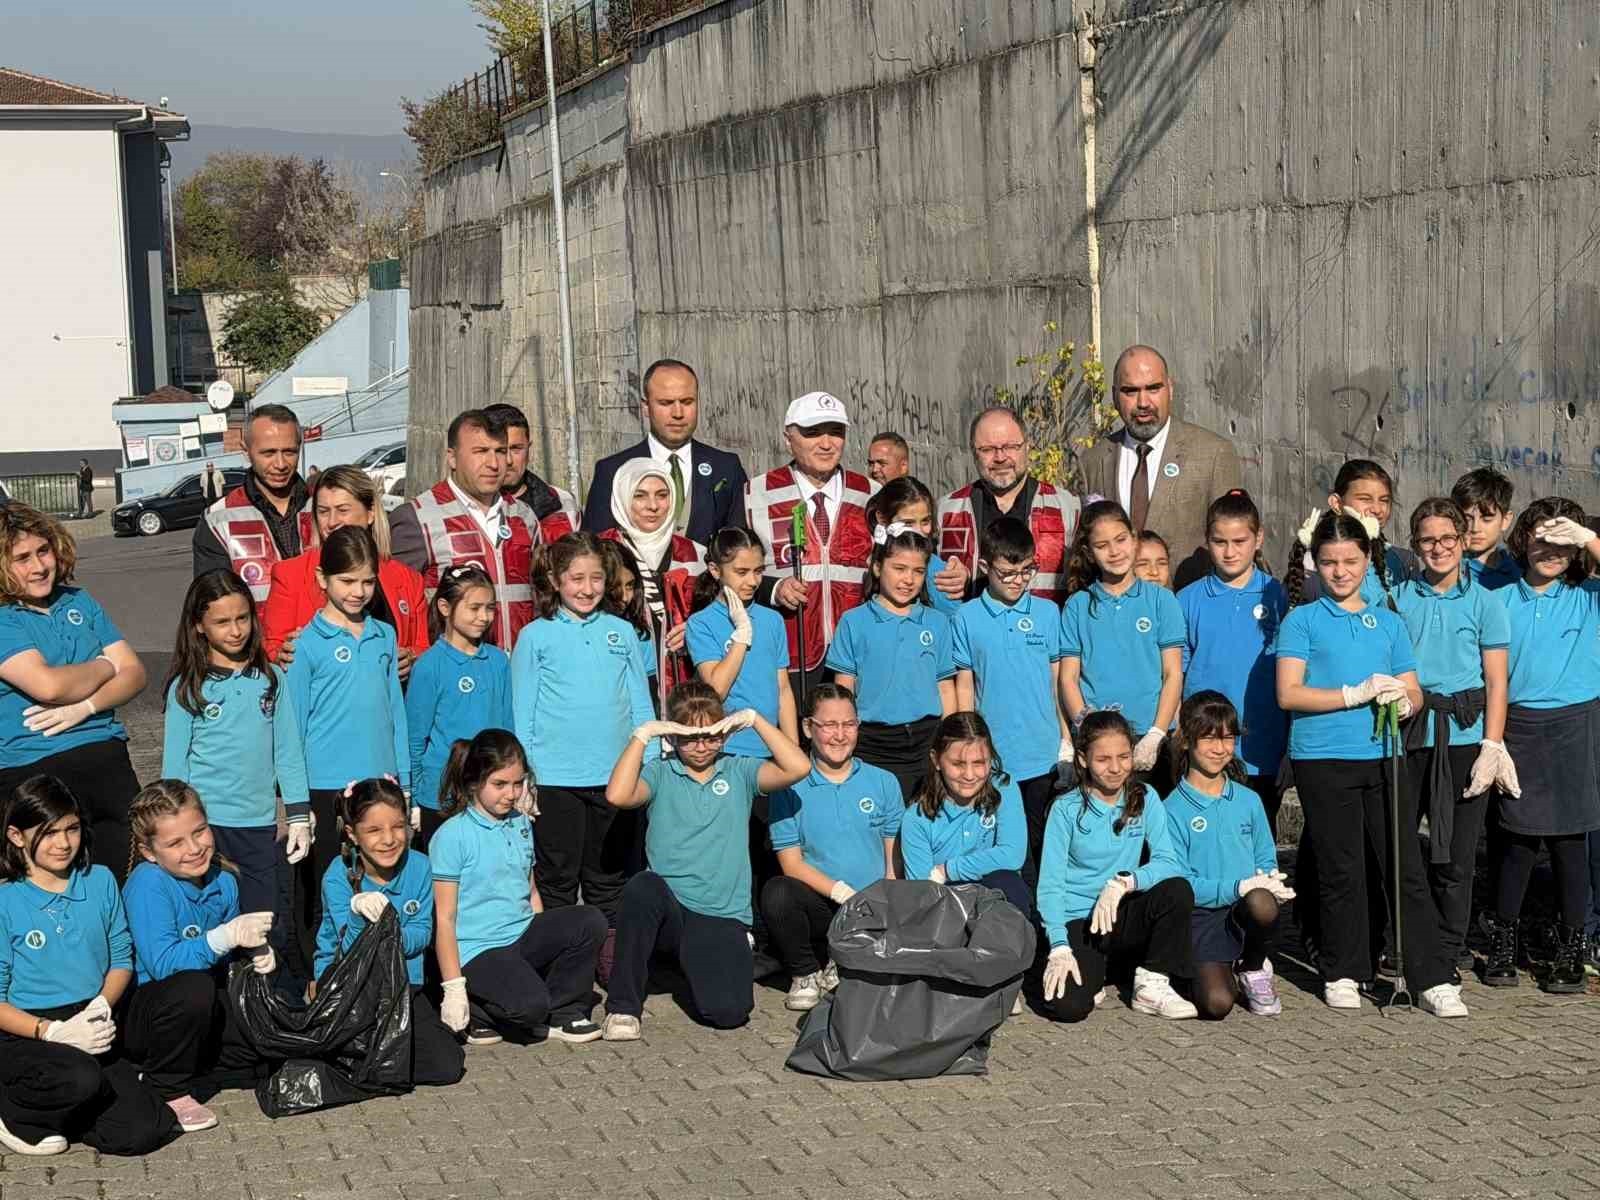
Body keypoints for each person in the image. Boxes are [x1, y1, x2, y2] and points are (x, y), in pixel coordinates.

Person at [1277, 510, 1458, 1014]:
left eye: (1350, 561)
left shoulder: (1389, 621)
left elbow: (1415, 689)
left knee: (1402, 865)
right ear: (1315, 563)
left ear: (1367, 560)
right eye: (1330, 562)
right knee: (1340, 868)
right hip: (1322, 758)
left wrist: (1407, 701)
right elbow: (1289, 693)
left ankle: (1432, 975)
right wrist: (1354, 693)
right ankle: (1343, 968)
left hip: (1383, 757)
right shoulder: (1302, 620)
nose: (1340, 572)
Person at [602, 683, 809, 1039]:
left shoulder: (739, 771)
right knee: (641, 887)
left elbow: (798, 767)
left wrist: (755, 720)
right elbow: (618, 794)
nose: (701, 746)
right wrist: (645, 734)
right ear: (674, 736)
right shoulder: (660, 772)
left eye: (711, 736)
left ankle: (697, 961)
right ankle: (623, 1008)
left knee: (729, 1012)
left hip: (719, 915)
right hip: (670, 909)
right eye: (690, 737)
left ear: (724, 734)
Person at [0, 776, 179, 1157]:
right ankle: (15, 1112)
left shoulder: (99, 881)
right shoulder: (6, 900)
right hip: (28, 1027)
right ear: (17, 837)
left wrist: (100, 1005)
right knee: (81, 1077)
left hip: (91, 1016)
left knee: (144, 1130)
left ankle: (67, 1111)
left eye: (72, 829)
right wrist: (49, 1032)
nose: (63, 843)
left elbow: (120, 958)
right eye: (47, 833)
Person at [161, 570, 308, 968]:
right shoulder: (186, 688)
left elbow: (288, 751)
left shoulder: (272, 679)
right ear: (199, 626)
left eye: (242, 618)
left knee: (265, 925)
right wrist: (173, 829)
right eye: (222, 622)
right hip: (205, 828)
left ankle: (268, 1007)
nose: (236, 630)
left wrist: (298, 815)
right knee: (216, 923)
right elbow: (174, 770)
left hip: (257, 826)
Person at [1482, 500, 1600, 993]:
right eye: (1541, 539)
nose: (1550, 551)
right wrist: (1495, 739)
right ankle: (1503, 938)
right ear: (1521, 541)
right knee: (1517, 841)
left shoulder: (1589, 594)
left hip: (1577, 722)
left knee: (1573, 841)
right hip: (1520, 724)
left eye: (1562, 542)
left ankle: (1574, 943)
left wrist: (1589, 539)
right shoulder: (1501, 596)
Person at [511, 533, 654, 932]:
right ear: (556, 580)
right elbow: (523, 712)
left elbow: (641, 705)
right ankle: (564, 964)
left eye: (595, 579)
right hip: (556, 781)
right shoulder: (535, 636)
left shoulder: (622, 632)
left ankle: (608, 959)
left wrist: (651, 762)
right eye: (576, 578)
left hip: (615, 778)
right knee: (557, 880)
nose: (587, 589)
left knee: (608, 878)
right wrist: (527, 777)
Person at [1394, 498, 1511, 979]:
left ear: (1463, 541)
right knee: (1402, 844)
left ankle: (1449, 946)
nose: (1438, 548)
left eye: (1448, 539)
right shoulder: (1398, 597)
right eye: (1428, 540)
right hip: (1409, 732)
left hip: (1463, 736)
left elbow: (1497, 680)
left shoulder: (1486, 601)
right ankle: (1400, 941)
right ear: (1416, 545)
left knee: (1456, 854)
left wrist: (1493, 744)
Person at [431, 730, 607, 1045]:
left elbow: (531, 891)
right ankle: (476, 1007)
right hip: (479, 948)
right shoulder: (452, 836)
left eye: (518, 783)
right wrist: (453, 986)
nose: (511, 793)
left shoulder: (521, 822)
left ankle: (564, 1013)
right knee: (529, 1007)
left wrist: (546, 946)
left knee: (589, 919)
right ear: (474, 782)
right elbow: (444, 918)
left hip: (522, 933)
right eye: (499, 784)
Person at [284, 527, 409, 968]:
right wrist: (298, 806)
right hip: (326, 788)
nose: (358, 592)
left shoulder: (383, 637)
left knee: (381, 885)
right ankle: (321, 982)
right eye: (347, 581)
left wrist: (406, 786)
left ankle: (379, 979)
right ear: (322, 579)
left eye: (367, 581)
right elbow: (291, 728)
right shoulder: (306, 645)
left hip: (382, 785)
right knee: (327, 893)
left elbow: (396, 713)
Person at [0, 504, 147, 878]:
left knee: (129, 875)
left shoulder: (79, 601)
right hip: (35, 768)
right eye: (21, 558)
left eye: (43, 551)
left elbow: (134, 674)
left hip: (106, 755)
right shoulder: (4, 618)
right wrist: (104, 665)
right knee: (63, 890)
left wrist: (86, 706)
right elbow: (48, 686)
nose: (38, 566)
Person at [121, 781, 274, 1133]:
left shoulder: (224, 879)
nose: (194, 848)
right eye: (175, 843)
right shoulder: (149, 884)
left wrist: (256, 951)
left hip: (199, 1001)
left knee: (263, 1046)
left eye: (199, 831)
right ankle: (165, 1085)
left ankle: (192, 1062)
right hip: (150, 1009)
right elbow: (163, 964)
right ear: (148, 851)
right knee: (193, 987)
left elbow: (226, 957)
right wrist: (225, 936)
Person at [1036, 711, 1197, 1022]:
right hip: (1081, 920)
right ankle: (1096, 973)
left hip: (1121, 912)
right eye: (1103, 759)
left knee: (1177, 889)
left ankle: (1151, 983)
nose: (1115, 768)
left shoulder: (1146, 796)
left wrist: (1126, 881)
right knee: (1067, 1008)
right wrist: (1058, 944)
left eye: (1124, 756)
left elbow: (1168, 861)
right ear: (1082, 759)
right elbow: (1051, 885)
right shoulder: (1065, 810)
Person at [761, 685, 901, 1011]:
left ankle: (847, 959)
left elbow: (893, 861)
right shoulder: (788, 787)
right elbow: (792, 865)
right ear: (809, 728)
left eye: (848, 724)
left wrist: (882, 905)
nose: (839, 735)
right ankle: (805, 972)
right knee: (777, 893)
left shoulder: (883, 782)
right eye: (829, 725)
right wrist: (843, 895)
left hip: (871, 908)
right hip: (825, 903)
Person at [316, 778, 463, 1084]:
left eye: (398, 827)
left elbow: (422, 934)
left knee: (447, 1065)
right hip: (350, 987)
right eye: (373, 830)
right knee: (377, 1055)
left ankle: (372, 1063)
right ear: (351, 834)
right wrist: (358, 913)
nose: (389, 839)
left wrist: (388, 929)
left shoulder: (420, 866)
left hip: (404, 983)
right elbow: (348, 949)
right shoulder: (337, 875)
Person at [952, 517, 1069, 891]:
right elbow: (965, 686)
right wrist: (965, 745)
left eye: (1027, 571)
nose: (1018, 581)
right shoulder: (966, 617)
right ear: (985, 567)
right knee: (1004, 852)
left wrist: (1067, 743)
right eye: (1007, 573)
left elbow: (1057, 682)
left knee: (1041, 847)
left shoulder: (1048, 614)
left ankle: (1045, 931)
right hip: (995, 759)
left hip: (1042, 755)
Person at [1163, 692, 1291, 1019]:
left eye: (1228, 738)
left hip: (1245, 906)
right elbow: (1182, 883)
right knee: (1217, 1004)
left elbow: (1265, 858)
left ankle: (1252, 966)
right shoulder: (1171, 810)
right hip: (1202, 915)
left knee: (1263, 901)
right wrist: (1237, 886)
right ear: (1186, 740)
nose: (1220, 749)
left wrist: (1270, 880)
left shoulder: (1248, 800)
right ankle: (1203, 970)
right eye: (1209, 738)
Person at [1076, 346, 1243, 589]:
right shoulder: (1092, 461)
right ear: (1114, 396)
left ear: (1170, 389)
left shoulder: (1213, 454)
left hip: (1185, 612)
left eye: (1153, 388)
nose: (1143, 402)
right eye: (1130, 391)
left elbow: (1235, 543)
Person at [745, 391, 875, 699]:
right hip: (791, 654)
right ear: (788, 438)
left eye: (836, 433)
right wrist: (774, 589)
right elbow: (731, 570)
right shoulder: (756, 493)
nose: (827, 443)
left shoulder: (872, 493)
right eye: (813, 433)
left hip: (859, 651)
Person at [1175, 490, 1289, 832]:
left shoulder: (1277, 595)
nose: (1229, 551)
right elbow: (1176, 670)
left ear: (1259, 539)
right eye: (1219, 541)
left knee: (1254, 836)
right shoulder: (1188, 599)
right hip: (1205, 740)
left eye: (1240, 541)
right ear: (1207, 541)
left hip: (1261, 746)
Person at [390, 409, 542, 650]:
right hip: (453, 674)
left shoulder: (524, 517)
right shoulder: (418, 517)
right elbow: (397, 602)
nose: (493, 464)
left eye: (500, 452)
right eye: (480, 452)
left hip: (518, 672)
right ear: (452, 457)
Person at [825, 524, 955, 804]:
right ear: (876, 567)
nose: (908, 579)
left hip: (926, 741)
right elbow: (844, 691)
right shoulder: (853, 622)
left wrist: (949, 742)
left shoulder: (938, 623)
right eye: (899, 568)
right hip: (873, 744)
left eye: (918, 572)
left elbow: (946, 689)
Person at [260, 465, 429, 680]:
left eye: (343, 510)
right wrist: (282, 654)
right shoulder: (290, 574)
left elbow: (424, 645)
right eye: (323, 512)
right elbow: (271, 645)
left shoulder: (407, 579)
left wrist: (411, 657)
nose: (331, 522)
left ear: (370, 513)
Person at [1058, 500, 1185, 783]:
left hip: (1148, 735)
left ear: (1134, 539)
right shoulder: (1077, 606)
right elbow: (1068, 678)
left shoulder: (1162, 600)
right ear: (1089, 553)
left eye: (1120, 540)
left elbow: (1173, 673)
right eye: (1102, 546)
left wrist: (1156, 734)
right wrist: (1084, 725)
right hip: (1098, 741)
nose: (1114, 552)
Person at [582, 359, 748, 543]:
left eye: (687, 402)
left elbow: (741, 545)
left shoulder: (726, 468)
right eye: (666, 403)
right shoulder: (612, 471)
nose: (678, 413)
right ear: (646, 407)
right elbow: (595, 549)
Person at [406, 565, 512, 848]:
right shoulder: (430, 665)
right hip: (441, 794)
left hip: (491, 792)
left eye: (489, 608)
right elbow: (415, 738)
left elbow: (507, 729)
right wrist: (415, 797)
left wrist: (516, 781)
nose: (484, 617)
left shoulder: (498, 661)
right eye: (474, 607)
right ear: (444, 606)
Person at [936, 407, 1079, 602]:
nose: (1000, 458)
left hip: (1044, 629)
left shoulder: (1067, 508)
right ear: (973, 452)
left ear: (1027, 447)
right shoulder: (946, 511)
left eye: (1011, 447)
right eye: (987, 449)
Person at [898, 711, 1030, 918]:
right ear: (937, 760)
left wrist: (946, 870)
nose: (969, 775)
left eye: (979, 763)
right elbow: (924, 893)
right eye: (958, 764)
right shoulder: (916, 818)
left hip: (996, 905)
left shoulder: (1003, 787)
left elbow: (1012, 855)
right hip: (949, 910)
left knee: (1008, 882)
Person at [685, 528, 798, 757]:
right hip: (727, 750)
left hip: (771, 747)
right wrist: (742, 633)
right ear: (715, 570)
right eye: (741, 572)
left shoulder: (772, 620)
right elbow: (717, 688)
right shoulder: (700, 623)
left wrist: (791, 747)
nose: (753, 581)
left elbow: (783, 689)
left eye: (758, 571)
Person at [599, 459, 705, 693]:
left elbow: (715, 614)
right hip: (621, 680)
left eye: (662, 495)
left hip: (686, 683)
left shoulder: (696, 554)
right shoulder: (600, 551)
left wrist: (696, 630)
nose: (653, 506)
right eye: (640, 496)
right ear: (623, 497)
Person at [193, 405, 315, 601]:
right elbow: (214, 608)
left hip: (327, 632)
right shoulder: (217, 520)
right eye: (268, 453)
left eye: (290, 452)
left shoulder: (326, 507)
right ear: (245, 451)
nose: (281, 464)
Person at [864, 477, 968, 614]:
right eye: (908, 523)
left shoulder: (935, 570)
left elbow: (953, 621)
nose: (919, 531)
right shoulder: (864, 554)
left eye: (925, 521)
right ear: (882, 519)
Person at [483, 402, 581, 541]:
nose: (509, 460)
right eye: (500, 450)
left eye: (516, 448)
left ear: (529, 449)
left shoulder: (563, 503)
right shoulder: (461, 508)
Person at [1451, 467, 1520, 591]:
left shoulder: (1519, 572)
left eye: (1487, 519)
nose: (1475, 528)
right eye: (1467, 518)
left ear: (1505, 520)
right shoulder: (1447, 571)